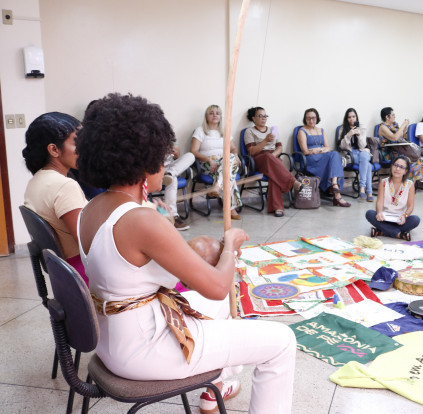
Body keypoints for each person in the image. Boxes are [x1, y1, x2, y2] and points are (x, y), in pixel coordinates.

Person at [76, 93, 296, 414]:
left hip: (112, 341)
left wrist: (165, 228)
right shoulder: (140, 219)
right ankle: (221, 382)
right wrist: (231, 245)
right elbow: (217, 284)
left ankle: (216, 386)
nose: (165, 165)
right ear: (143, 161)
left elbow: (135, 265)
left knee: (222, 305)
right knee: (282, 341)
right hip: (145, 350)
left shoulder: (90, 208)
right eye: (162, 157)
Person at [22, 112, 89, 285]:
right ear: (53, 150)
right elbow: (88, 246)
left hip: (64, 276)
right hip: (84, 274)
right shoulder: (64, 186)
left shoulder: (36, 181)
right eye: (77, 143)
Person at [244, 107, 302, 217]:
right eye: (260, 116)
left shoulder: (273, 130)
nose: (264, 118)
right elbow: (251, 151)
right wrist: (265, 140)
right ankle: (292, 181)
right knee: (269, 159)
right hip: (258, 159)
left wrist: (272, 156)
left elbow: (280, 148)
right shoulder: (249, 131)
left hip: (273, 158)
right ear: (253, 118)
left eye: (265, 116)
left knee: (273, 174)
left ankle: (277, 207)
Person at [191, 104, 242, 220]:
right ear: (206, 116)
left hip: (224, 162)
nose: (215, 115)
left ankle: (217, 186)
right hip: (208, 164)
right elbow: (193, 151)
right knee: (229, 172)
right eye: (211, 113)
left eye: (217, 113)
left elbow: (233, 149)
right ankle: (231, 209)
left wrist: (235, 155)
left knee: (229, 161)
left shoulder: (225, 131)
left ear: (220, 117)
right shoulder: (200, 130)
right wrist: (209, 159)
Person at [297, 108, 350, 207]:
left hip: (321, 156)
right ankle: (337, 194)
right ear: (305, 119)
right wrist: (320, 150)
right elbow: (305, 151)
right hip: (311, 159)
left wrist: (319, 150)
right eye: (308, 118)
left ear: (317, 118)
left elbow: (328, 147)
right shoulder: (302, 131)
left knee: (335, 154)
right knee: (334, 156)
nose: (311, 120)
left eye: (313, 118)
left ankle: (334, 186)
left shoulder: (321, 130)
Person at [365, 155, 420, 241]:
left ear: (405, 171)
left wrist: (404, 216)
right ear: (392, 167)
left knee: (415, 219)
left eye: (401, 167)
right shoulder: (383, 182)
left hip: (400, 219)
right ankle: (398, 234)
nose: (397, 169)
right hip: (384, 218)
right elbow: (379, 202)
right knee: (369, 214)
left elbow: (410, 206)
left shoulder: (410, 184)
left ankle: (382, 231)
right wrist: (379, 212)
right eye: (396, 165)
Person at [378, 107, 423, 182]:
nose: (394, 116)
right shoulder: (383, 127)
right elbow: (394, 138)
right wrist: (403, 124)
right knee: (408, 160)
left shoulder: (395, 125)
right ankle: (405, 183)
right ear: (387, 117)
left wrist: (404, 130)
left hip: (399, 150)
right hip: (389, 152)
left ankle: (412, 183)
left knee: (419, 159)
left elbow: (402, 138)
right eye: (393, 115)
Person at [337, 108, 374, 201]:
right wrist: (348, 135)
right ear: (346, 119)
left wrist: (359, 135)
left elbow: (363, 145)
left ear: (356, 117)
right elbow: (342, 146)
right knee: (368, 165)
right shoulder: (342, 128)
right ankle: (369, 192)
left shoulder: (362, 127)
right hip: (350, 154)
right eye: (349, 117)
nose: (352, 119)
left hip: (361, 151)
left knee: (364, 156)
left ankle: (362, 188)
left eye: (353, 116)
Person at [162, 145, 195, 230]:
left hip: (170, 167)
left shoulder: (168, 138)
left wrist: (176, 153)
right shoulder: (146, 138)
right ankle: (173, 216)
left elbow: (176, 156)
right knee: (172, 180)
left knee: (190, 156)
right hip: (156, 168)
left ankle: (170, 173)